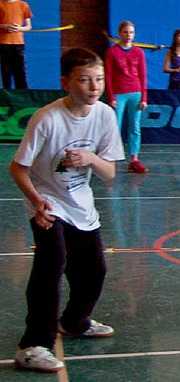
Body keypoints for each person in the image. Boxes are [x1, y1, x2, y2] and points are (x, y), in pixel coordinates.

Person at [10, 48, 124, 373]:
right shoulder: (47, 118)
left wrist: (91, 159)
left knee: (94, 270)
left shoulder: (104, 115)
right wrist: (36, 201)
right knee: (52, 263)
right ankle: (33, 344)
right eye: (84, 79)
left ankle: (74, 321)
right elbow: (18, 168)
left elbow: (110, 173)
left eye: (99, 79)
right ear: (66, 82)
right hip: (47, 202)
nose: (93, 86)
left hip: (81, 204)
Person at [105, 20, 148, 173]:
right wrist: (111, 96)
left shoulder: (139, 52)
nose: (128, 35)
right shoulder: (112, 52)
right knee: (115, 126)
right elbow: (108, 75)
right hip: (119, 93)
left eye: (131, 32)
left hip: (135, 92)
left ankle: (134, 158)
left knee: (134, 127)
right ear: (119, 33)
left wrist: (144, 97)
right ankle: (112, 158)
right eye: (125, 32)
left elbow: (143, 75)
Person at [0, 0, 32, 89]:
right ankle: (6, 96)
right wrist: (5, 26)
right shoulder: (0, 5)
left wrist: (19, 28)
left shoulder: (23, 5)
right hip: (4, 43)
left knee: (20, 71)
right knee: (6, 71)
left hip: (18, 43)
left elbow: (28, 26)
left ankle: (23, 95)